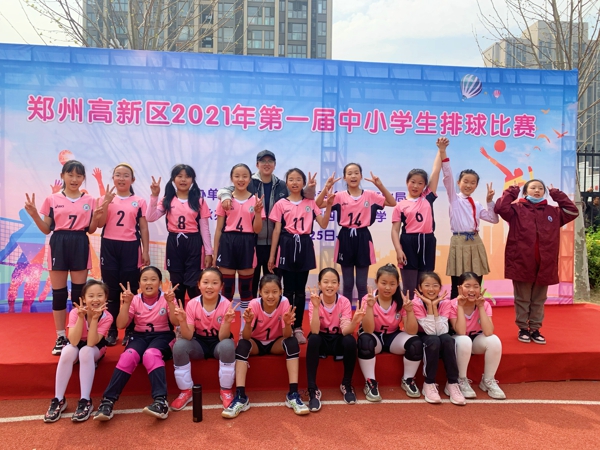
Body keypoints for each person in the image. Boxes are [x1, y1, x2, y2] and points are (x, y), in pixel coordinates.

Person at [24, 160, 106, 355]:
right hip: (58, 243)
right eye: (70, 175)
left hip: (80, 242)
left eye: (79, 176)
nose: (74, 179)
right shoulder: (52, 199)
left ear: (83, 178)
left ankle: (79, 335)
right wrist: (34, 215)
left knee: (79, 294)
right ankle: (61, 336)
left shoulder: (90, 200)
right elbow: (46, 229)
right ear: (63, 176)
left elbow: (91, 229)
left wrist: (96, 217)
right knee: (59, 293)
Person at [217, 150, 316, 298]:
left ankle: (273, 313)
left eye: (270, 161)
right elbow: (225, 190)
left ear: (275, 165)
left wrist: (310, 188)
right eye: (263, 161)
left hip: (276, 243)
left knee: (273, 285)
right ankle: (253, 312)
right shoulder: (249, 181)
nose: (266, 164)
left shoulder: (282, 185)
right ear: (257, 164)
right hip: (253, 242)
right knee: (251, 285)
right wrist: (225, 196)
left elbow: (301, 195)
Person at [494, 180, 578, 344]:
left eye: (540, 188)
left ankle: (535, 329)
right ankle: (523, 329)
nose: (537, 190)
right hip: (521, 262)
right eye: (533, 188)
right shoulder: (516, 209)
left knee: (539, 299)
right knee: (523, 298)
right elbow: (501, 208)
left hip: (545, 264)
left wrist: (557, 194)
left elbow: (573, 211)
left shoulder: (553, 212)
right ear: (525, 192)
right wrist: (513, 190)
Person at [94, 266, 178, 421]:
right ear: (139, 283)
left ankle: (161, 402)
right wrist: (126, 303)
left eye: (153, 279)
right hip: (139, 336)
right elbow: (121, 325)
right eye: (145, 279)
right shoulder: (135, 300)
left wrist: (171, 303)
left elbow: (176, 322)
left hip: (163, 336)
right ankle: (107, 402)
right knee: (128, 356)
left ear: (160, 283)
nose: (149, 283)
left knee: (150, 354)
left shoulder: (166, 298)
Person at [222, 274, 309, 418]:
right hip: (256, 343)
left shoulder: (284, 302)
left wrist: (288, 324)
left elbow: (286, 335)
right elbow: (247, 337)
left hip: (275, 343)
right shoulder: (254, 304)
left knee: (292, 342)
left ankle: (293, 394)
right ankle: (241, 397)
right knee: (242, 344)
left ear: (280, 292)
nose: (270, 296)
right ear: (260, 292)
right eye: (266, 292)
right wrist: (248, 324)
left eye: (274, 292)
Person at [268, 168, 334, 344]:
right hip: (287, 245)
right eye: (291, 179)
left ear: (304, 183)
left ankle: (297, 327)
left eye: (298, 179)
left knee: (300, 290)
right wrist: (272, 256)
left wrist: (328, 206)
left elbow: (324, 224)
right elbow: (276, 231)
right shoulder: (281, 204)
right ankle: (286, 326)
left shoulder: (310, 203)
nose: (295, 182)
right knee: (287, 289)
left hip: (304, 245)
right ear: (286, 183)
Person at [316, 164, 396, 303]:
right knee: (347, 284)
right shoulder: (339, 196)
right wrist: (326, 187)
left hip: (363, 237)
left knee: (361, 284)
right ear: (345, 177)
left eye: (356, 173)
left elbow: (392, 202)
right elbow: (317, 205)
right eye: (349, 173)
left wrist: (380, 185)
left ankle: (363, 314)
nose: (353, 176)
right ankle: (346, 314)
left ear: (361, 176)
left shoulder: (370, 195)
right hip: (345, 238)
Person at [43, 279, 112, 423]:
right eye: (91, 296)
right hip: (77, 343)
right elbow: (73, 341)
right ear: (84, 299)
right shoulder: (75, 312)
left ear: (105, 298)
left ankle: (85, 400)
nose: (95, 299)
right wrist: (81, 317)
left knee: (86, 351)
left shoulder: (107, 317)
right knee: (67, 351)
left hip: (95, 347)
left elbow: (92, 342)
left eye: (100, 295)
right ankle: (59, 399)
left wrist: (94, 318)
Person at [170, 267, 237, 412]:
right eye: (205, 282)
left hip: (218, 343)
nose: (209, 286)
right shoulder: (192, 304)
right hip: (198, 343)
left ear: (221, 286)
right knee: (180, 346)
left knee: (228, 345)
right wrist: (182, 321)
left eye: (214, 283)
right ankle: (186, 391)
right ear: (199, 285)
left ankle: (226, 390)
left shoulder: (226, 304)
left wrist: (226, 322)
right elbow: (188, 336)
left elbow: (223, 337)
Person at [438, 139, 499, 299]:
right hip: (459, 242)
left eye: (473, 183)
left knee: (475, 283)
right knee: (457, 284)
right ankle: (453, 313)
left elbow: (494, 219)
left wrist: (489, 201)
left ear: (476, 186)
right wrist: (443, 152)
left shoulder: (477, 204)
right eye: (465, 181)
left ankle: (475, 311)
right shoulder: (454, 199)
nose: (469, 185)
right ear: (458, 183)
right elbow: (447, 176)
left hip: (475, 241)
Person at [97, 163, 150, 346]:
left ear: (132, 180)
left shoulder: (139, 201)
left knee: (131, 291)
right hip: (109, 246)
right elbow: (99, 224)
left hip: (130, 247)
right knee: (111, 291)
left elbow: (143, 227)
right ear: (113, 178)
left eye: (126, 175)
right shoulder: (104, 199)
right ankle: (111, 330)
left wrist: (145, 251)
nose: (121, 178)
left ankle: (130, 330)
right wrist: (105, 202)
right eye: (118, 175)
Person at [146, 164, 213, 306]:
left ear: (192, 180)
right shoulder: (167, 200)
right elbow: (150, 217)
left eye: (187, 177)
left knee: (194, 285)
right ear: (173, 179)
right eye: (179, 176)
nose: (183, 180)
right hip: (174, 243)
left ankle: (195, 315)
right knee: (177, 285)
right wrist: (154, 196)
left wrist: (208, 252)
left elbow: (204, 229)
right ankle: (178, 316)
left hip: (194, 243)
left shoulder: (199, 201)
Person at [357, 264, 422, 402]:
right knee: (365, 340)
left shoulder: (401, 300)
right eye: (384, 283)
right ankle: (370, 382)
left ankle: (408, 379)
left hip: (393, 337)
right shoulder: (368, 298)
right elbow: (368, 330)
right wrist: (369, 307)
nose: (388, 288)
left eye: (392, 284)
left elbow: (412, 331)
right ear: (376, 282)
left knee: (415, 343)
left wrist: (410, 311)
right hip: (374, 336)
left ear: (398, 284)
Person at [305, 268, 364, 411]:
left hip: (338, 339)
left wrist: (354, 322)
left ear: (338, 285)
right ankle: (312, 389)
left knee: (350, 341)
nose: (329, 285)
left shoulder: (344, 302)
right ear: (320, 284)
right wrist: (316, 307)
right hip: (322, 339)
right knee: (313, 339)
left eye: (333, 282)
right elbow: (314, 330)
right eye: (326, 282)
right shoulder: (315, 300)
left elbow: (345, 331)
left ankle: (346, 384)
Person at [441, 272, 506, 400]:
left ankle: (488, 380)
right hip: (456, 341)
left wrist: (480, 307)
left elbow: (488, 332)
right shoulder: (451, 304)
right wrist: (460, 306)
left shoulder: (484, 304)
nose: (472, 290)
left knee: (494, 340)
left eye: (476, 286)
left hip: (475, 341)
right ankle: (461, 379)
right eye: (467, 286)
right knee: (464, 340)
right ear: (459, 288)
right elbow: (460, 331)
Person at [391, 141, 442, 298]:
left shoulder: (427, 197)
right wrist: (399, 250)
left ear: (425, 186)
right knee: (409, 287)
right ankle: (408, 313)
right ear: (407, 182)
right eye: (412, 182)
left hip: (427, 241)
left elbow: (436, 171)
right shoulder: (400, 205)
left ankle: (425, 313)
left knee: (426, 285)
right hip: (408, 243)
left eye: (420, 183)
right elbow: (395, 230)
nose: (415, 186)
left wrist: (441, 150)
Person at [213, 164, 264, 315]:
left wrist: (258, 213)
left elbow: (257, 230)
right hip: (227, 242)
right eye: (237, 176)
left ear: (250, 179)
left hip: (247, 242)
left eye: (244, 176)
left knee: (246, 289)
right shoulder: (225, 200)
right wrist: (215, 254)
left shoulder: (255, 200)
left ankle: (244, 325)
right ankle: (224, 323)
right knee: (227, 288)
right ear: (231, 178)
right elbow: (218, 229)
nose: (241, 179)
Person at [410, 272, 465, 405]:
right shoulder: (415, 303)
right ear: (420, 287)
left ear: (440, 288)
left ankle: (452, 383)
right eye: (427, 285)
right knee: (433, 340)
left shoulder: (445, 302)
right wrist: (429, 306)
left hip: (439, 331)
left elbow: (441, 331)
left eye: (435, 285)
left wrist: (434, 306)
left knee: (448, 340)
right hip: (423, 334)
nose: (431, 289)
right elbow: (430, 332)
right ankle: (429, 383)